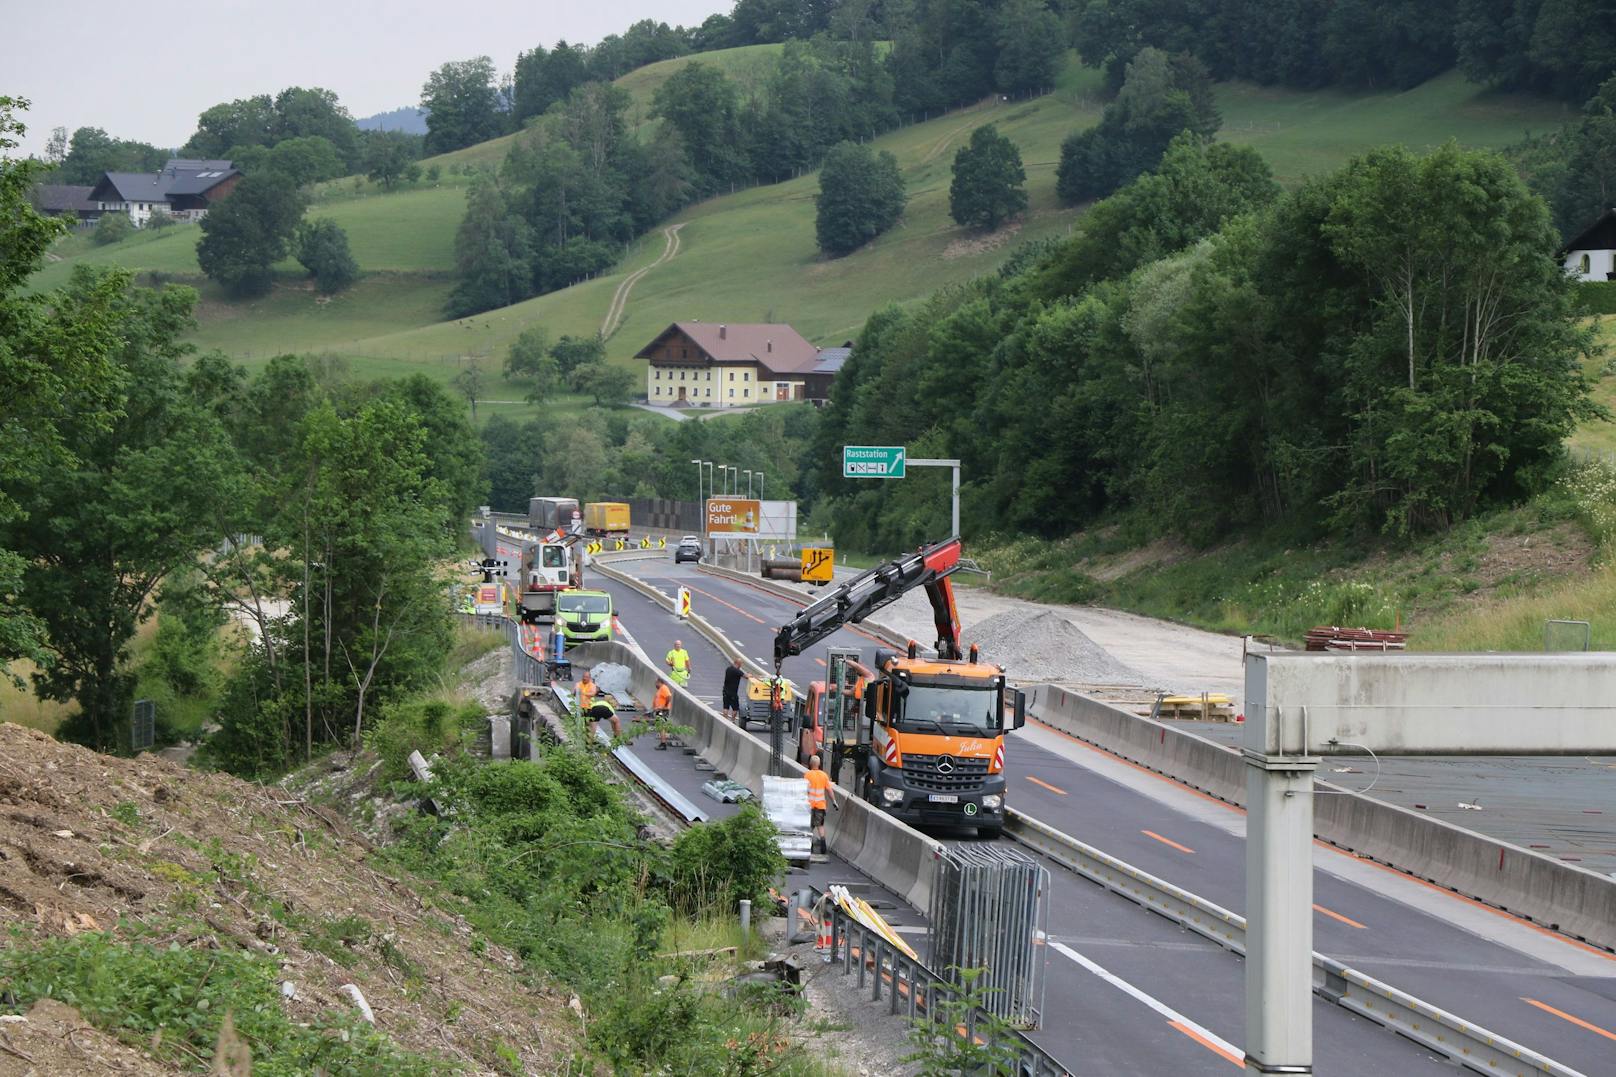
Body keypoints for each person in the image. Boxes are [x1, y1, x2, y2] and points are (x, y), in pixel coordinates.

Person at [804, 754, 835, 854]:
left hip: (810, 805)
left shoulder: (807, 775)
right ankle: (823, 847)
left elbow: (804, 790)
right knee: (820, 826)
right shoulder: (824, 775)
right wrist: (834, 801)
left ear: (810, 764)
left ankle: (810, 847)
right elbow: (829, 790)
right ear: (819, 764)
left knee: (810, 827)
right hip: (820, 805)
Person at [651, 679, 673, 750]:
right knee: (660, 726)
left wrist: (664, 706)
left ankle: (663, 743)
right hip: (659, 710)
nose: (655, 685)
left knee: (661, 726)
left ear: (659, 682)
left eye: (656, 683)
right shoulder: (660, 689)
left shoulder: (664, 688)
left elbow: (669, 697)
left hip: (662, 710)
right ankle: (662, 742)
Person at [721, 658, 745, 723]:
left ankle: (725, 721)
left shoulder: (728, 669)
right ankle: (732, 720)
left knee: (726, 707)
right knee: (735, 708)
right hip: (733, 693)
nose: (741, 665)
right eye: (741, 664)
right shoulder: (737, 671)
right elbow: (746, 676)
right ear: (738, 663)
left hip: (725, 691)